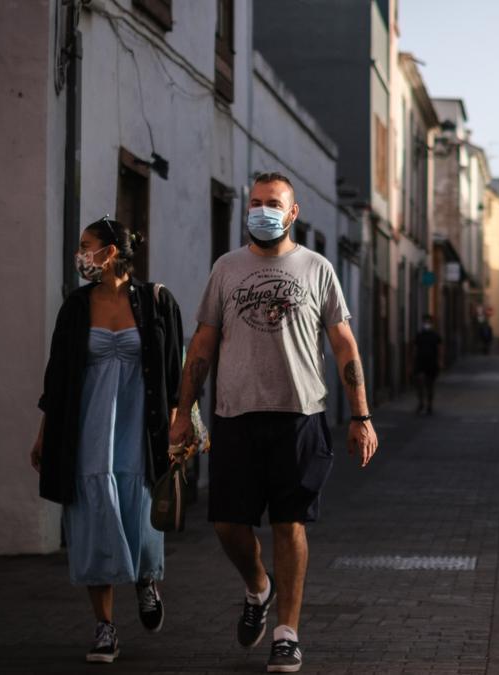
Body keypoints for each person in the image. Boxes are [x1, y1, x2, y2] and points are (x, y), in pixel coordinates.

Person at [170, 172, 379, 674]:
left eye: (273, 203)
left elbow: (344, 345)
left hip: (300, 417)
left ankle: (287, 633)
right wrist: (183, 412)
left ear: (293, 212)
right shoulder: (227, 268)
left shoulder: (317, 268)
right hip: (234, 416)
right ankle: (258, 587)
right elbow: (201, 345)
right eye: (256, 202)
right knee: (226, 524)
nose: (263, 210)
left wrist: (361, 415)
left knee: (290, 524)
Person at [31, 216, 185, 664]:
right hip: (87, 428)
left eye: (87, 245)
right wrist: (43, 433)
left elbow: (175, 377)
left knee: (138, 504)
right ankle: (104, 627)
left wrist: (181, 425)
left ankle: (144, 581)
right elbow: (57, 377)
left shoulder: (157, 301)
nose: (80, 254)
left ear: (111, 252)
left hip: (142, 426)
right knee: (95, 514)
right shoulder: (76, 307)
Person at [413, 314, 443, 415]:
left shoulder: (435, 336)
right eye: (425, 322)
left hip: (431, 363)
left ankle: (429, 404)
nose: (426, 324)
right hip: (420, 362)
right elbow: (414, 348)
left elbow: (440, 349)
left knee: (430, 385)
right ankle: (421, 402)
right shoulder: (419, 335)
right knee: (419, 383)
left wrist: (439, 361)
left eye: (428, 322)